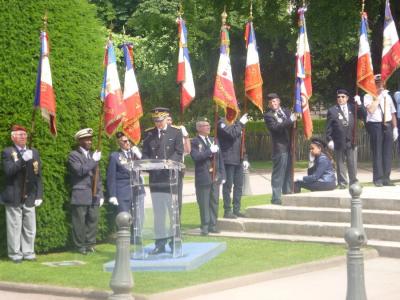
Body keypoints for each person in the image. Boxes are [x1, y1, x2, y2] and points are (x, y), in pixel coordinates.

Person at [142, 107, 183, 254]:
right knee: (159, 214)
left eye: (160, 120)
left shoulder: (176, 132)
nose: (157, 123)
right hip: (156, 180)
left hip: (170, 179)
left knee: (173, 213)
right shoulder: (149, 134)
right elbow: (145, 154)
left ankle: (174, 242)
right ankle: (159, 244)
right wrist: (147, 164)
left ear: (166, 118)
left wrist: (169, 163)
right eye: (155, 120)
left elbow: (179, 152)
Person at [1, 125, 43, 263]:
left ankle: (28, 252)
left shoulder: (33, 152)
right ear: (13, 137)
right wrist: (22, 160)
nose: (23, 137)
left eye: (25, 135)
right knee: (14, 227)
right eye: (20, 135)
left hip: (29, 194)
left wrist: (39, 195)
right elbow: (9, 171)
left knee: (30, 226)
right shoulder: (8, 152)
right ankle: (15, 254)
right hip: (14, 194)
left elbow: (37, 175)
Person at [68, 128, 104, 255]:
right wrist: (94, 160)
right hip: (81, 193)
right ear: (79, 141)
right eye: (86, 139)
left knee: (93, 220)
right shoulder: (74, 155)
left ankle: (90, 244)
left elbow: (97, 176)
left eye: (90, 139)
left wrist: (101, 193)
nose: (90, 141)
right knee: (79, 221)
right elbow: (80, 171)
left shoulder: (92, 155)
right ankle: (80, 245)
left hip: (94, 194)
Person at [107, 132, 144, 243]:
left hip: (137, 189)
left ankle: (136, 237)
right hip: (123, 190)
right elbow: (111, 176)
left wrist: (140, 155)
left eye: (129, 140)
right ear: (119, 143)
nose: (128, 143)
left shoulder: (135, 154)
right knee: (124, 215)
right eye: (125, 141)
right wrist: (112, 194)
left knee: (139, 214)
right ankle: (124, 238)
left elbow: (146, 165)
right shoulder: (115, 156)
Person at [191, 118, 225, 236]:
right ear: (199, 128)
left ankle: (213, 225)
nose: (208, 127)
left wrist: (222, 174)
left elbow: (220, 159)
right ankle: (204, 226)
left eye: (209, 125)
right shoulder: (194, 142)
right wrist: (209, 151)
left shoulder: (213, 140)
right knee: (204, 203)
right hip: (203, 177)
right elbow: (196, 157)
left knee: (214, 202)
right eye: (205, 125)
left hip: (215, 176)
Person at [326, 89, 365, 189]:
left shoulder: (352, 107)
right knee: (340, 163)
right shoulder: (332, 110)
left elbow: (363, 115)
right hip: (339, 140)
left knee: (352, 163)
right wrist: (329, 139)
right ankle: (342, 183)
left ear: (347, 98)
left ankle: (354, 182)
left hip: (351, 139)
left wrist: (359, 104)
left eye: (343, 97)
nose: (340, 99)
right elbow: (329, 127)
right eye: (338, 97)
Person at [363, 74, 398, 186]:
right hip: (375, 125)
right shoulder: (368, 96)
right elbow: (371, 110)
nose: (379, 85)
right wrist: (377, 97)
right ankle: (378, 178)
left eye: (381, 83)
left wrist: (395, 128)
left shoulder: (387, 96)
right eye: (377, 83)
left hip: (387, 124)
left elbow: (392, 112)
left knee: (387, 153)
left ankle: (386, 178)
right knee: (377, 152)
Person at [263, 93, 296, 205]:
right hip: (280, 148)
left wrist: (294, 118)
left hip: (290, 146)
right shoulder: (269, 116)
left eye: (275, 101)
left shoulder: (287, 112)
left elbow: (293, 125)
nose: (274, 104)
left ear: (279, 101)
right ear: (269, 104)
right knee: (279, 174)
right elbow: (276, 128)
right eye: (271, 102)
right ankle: (276, 198)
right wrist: (289, 121)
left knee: (288, 172)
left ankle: (287, 194)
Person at [217, 112, 249, 218]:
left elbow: (241, 142)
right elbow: (232, 134)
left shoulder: (236, 124)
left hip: (238, 159)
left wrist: (244, 158)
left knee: (239, 186)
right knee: (228, 186)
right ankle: (227, 210)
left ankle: (236, 209)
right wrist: (240, 124)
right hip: (228, 160)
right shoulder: (222, 123)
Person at [166, 114, 190, 216]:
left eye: (170, 119)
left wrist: (186, 136)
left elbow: (188, 150)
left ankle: (177, 223)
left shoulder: (177, 132)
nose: (169, 122)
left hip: (177, 169)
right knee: (166, 199)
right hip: (163, 170)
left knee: (177, 198)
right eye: (167, 120)